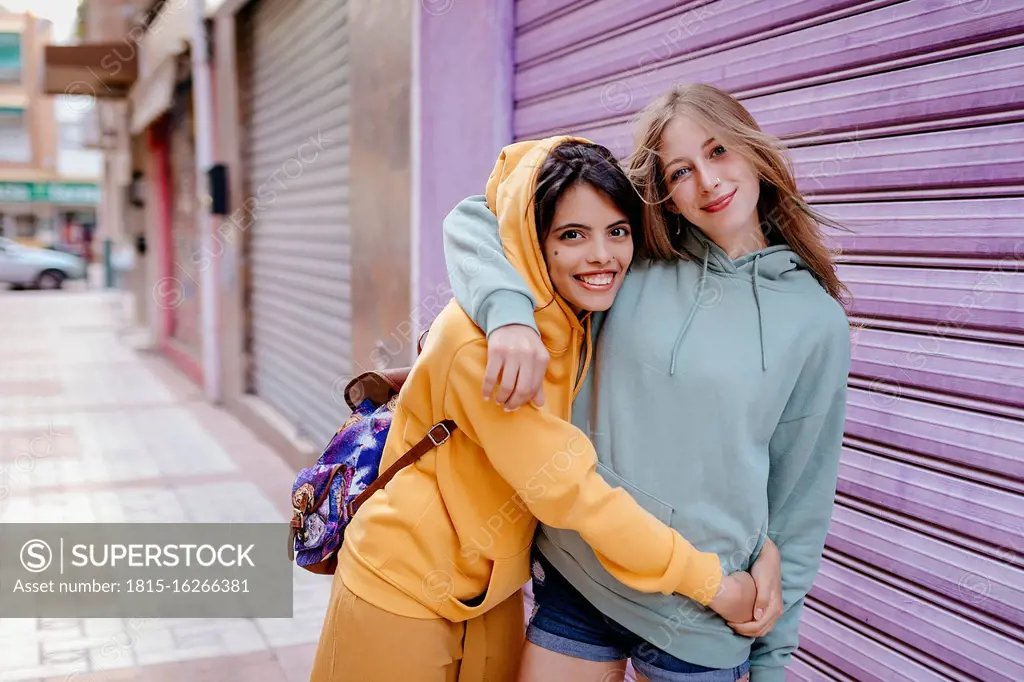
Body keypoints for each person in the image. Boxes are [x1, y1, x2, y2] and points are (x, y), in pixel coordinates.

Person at [310, 136, 762, 682]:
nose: (601, 255)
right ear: (534, 239)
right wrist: (712, 584)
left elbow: (480, 213)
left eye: (617, 232)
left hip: (492, 591)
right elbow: (573, 494)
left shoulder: (581, 313)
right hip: (401, 583)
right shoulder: (483, 348)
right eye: (572, 235)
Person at [441, 84, 851, 682]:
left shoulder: (815, 321)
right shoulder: (628, 257)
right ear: (663, 190)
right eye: (681, 170)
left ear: (755, 152)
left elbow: (800, 501)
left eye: (719, 152)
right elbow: (475, 216)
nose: (707, 182)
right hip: (582, 581)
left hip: (704, 614)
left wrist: (772, 660)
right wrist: (509, 314)